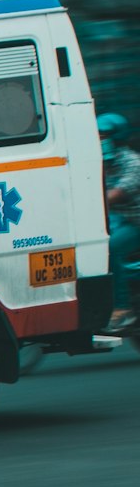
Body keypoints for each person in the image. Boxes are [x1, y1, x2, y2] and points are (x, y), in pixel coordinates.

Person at [99, 113, 140, 330]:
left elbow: (115, 195)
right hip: (122, 220)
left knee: (111, 247)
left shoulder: (132, 163)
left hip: (136, 223)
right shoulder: (107, 162)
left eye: (104, 136)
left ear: (116, 137)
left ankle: (123, 309)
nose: (99, 140)